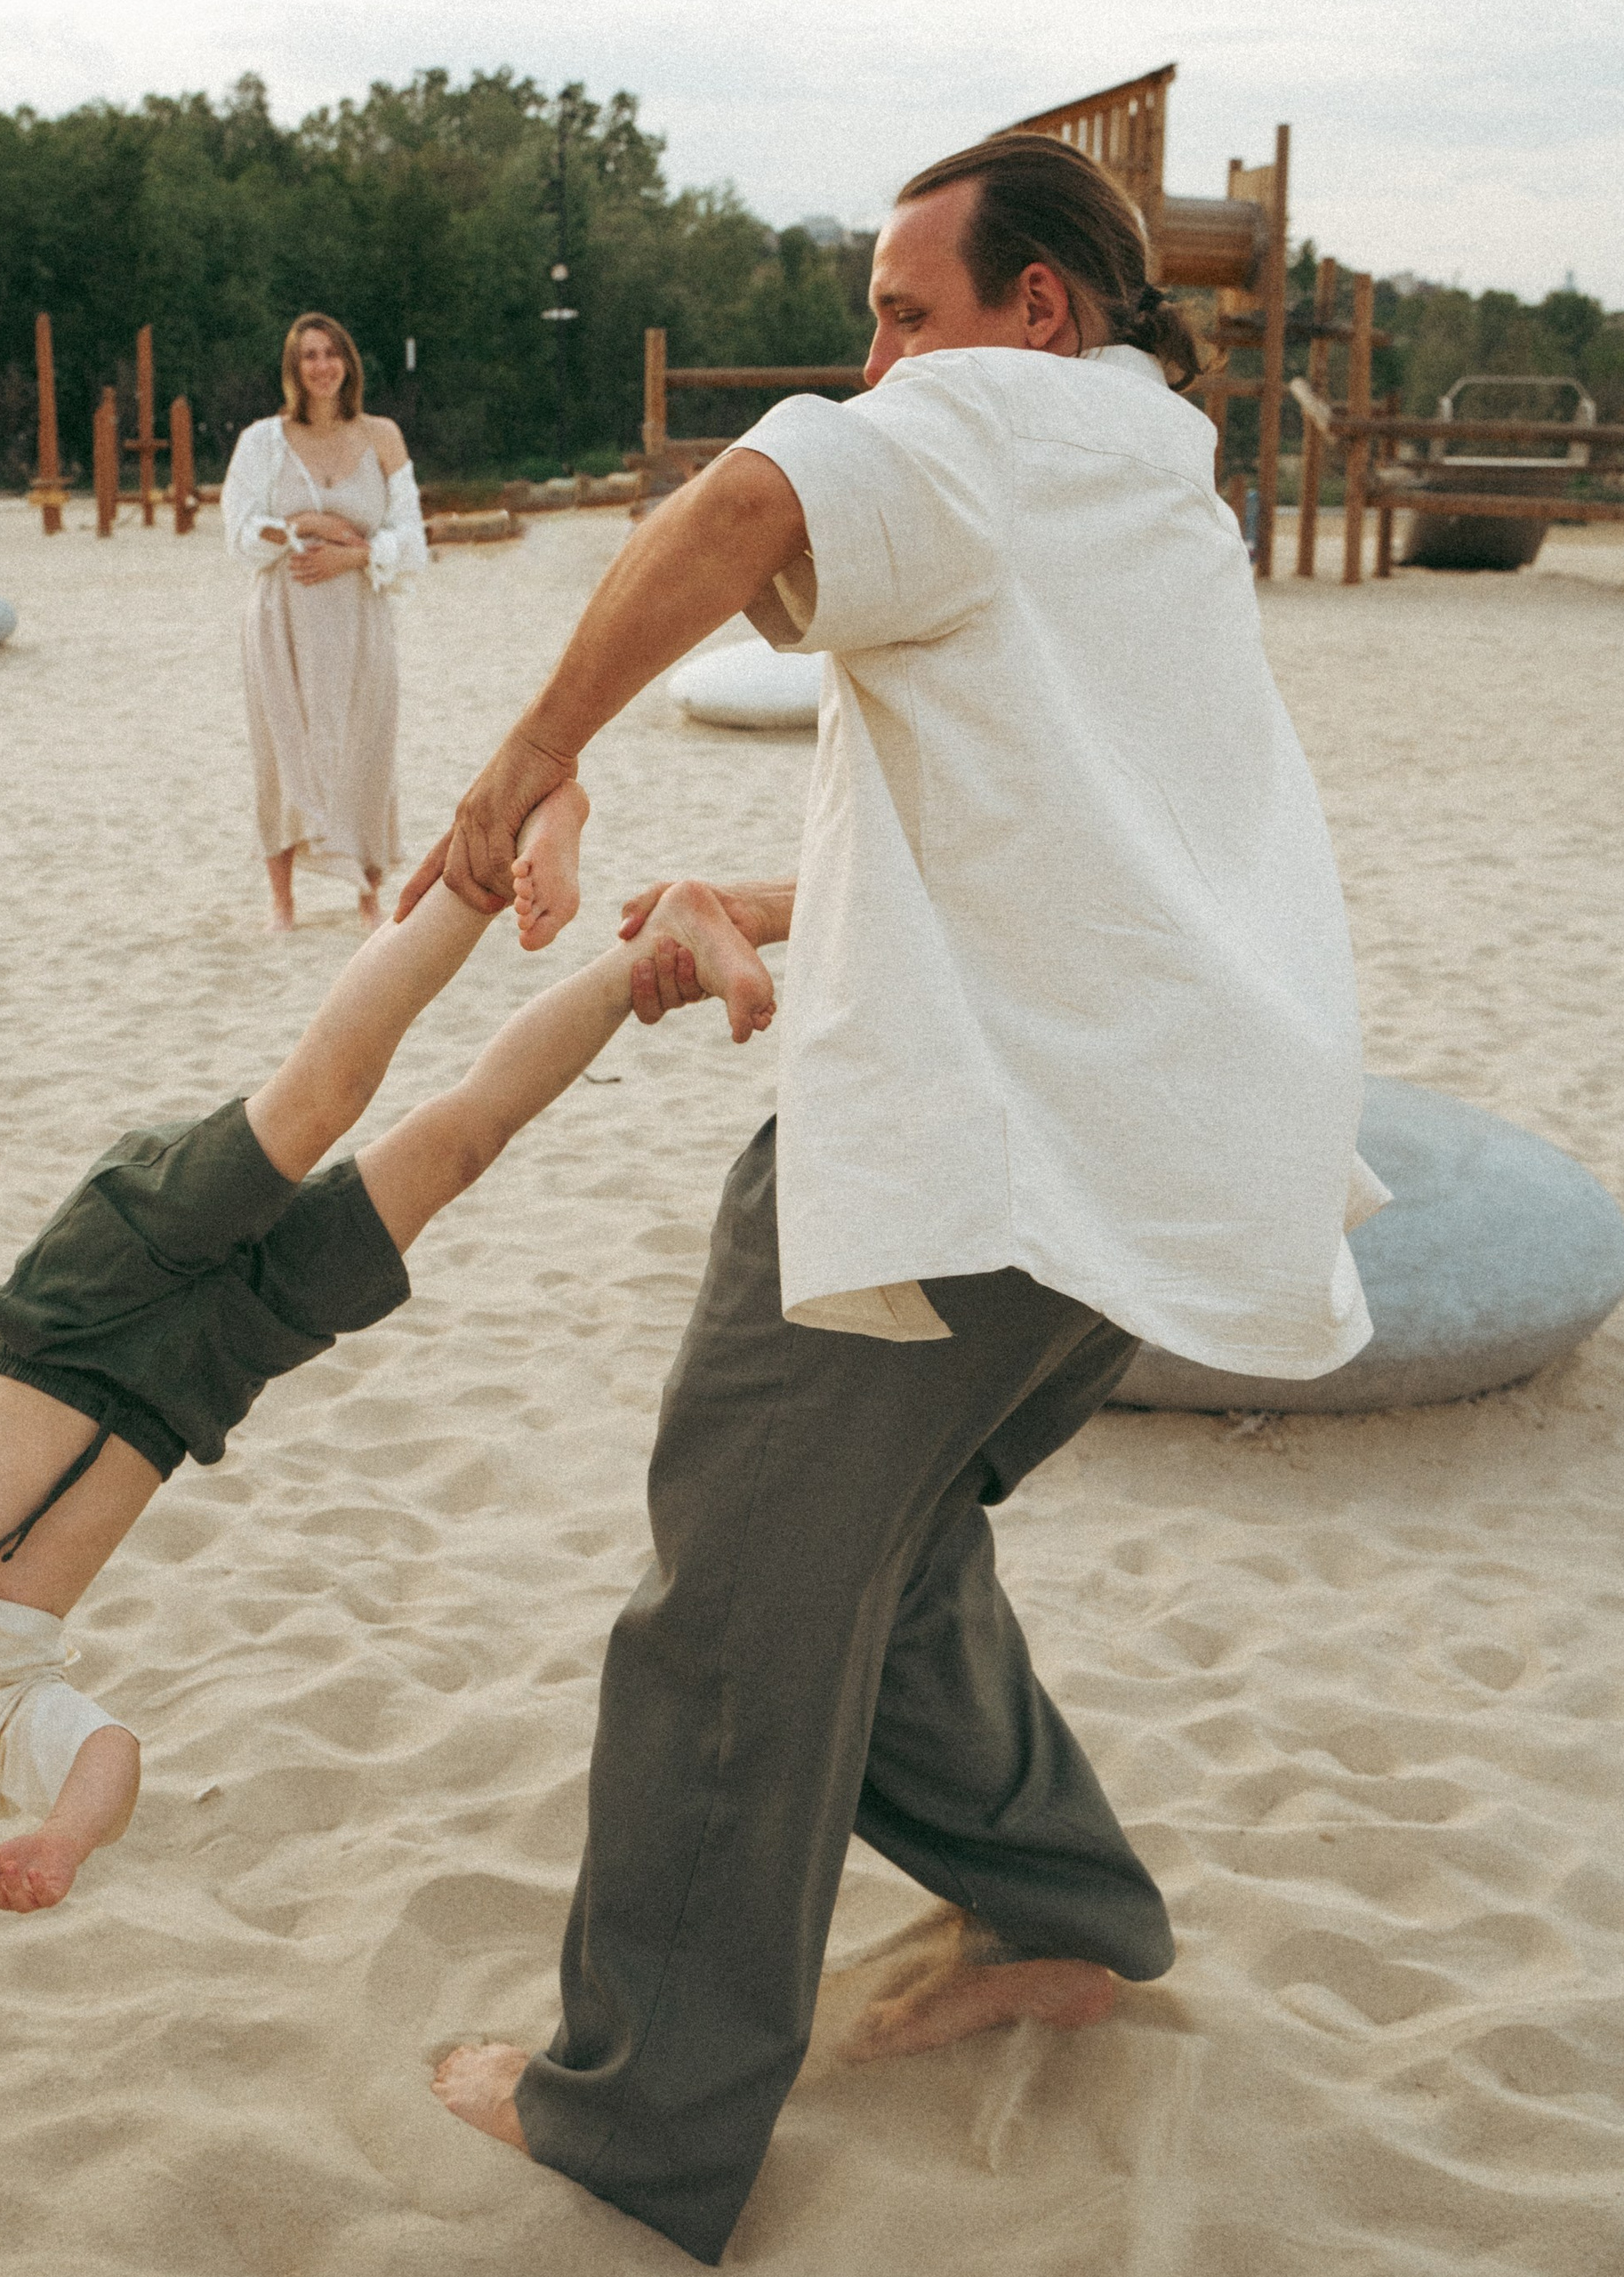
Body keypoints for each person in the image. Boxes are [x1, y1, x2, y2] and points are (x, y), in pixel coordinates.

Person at [411, 133, 1387, 2263]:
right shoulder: (1147, 480)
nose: (872, 362)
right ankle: (1055, 1912)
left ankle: (634, 2115)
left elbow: (740, 501)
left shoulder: (1000, 414)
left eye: (899, 310)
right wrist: (782, 892)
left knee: (740, 1589)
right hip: (1154, 1147)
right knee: (896, 1547)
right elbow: (1075, 825)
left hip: (981, 1164)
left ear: (1039, 306)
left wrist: (531, 755)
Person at [0, 786, 778, 1919]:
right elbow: (108, 1754)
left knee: (322, 1094)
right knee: (452, 1151)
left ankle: (493, 848)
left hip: (87, 1298)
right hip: (204, 1377)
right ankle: (647, 956)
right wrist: (65, 1839)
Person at [220, 312, 430, 932]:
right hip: (282, 617)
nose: (321, 366)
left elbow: (413, 539)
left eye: (331, 353)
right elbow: (239, 532)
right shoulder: (263, 440)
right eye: (309, 356)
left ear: (349, 364)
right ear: (294, 368)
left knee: (366, 744)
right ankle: (282, 901)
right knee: (283, 748)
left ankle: (368, 895)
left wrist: (356, 553)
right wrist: (306, 527)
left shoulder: (383, 436)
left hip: (361, 616)